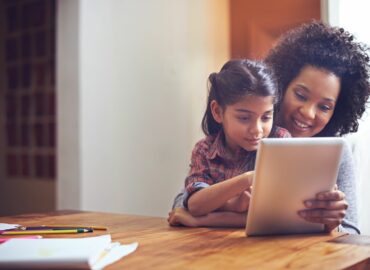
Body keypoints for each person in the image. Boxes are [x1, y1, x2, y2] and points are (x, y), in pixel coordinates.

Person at [168, 21, 370, 234]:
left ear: (337, 111)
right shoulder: (245, 139)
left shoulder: (337, 152)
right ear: (281, 87)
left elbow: (351, 235)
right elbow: (183, 203)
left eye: (325, 106)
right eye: (301, 95)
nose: (309, 113)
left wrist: (332, 221)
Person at [170, 59, 290, 226]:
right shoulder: (205, 150)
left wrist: (208, 219)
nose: (257, 129)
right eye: (244, 118)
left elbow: (280, 216)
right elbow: (195, 205)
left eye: (265, 117)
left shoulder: (281, 143)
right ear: (218, 112)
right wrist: (248, 179)